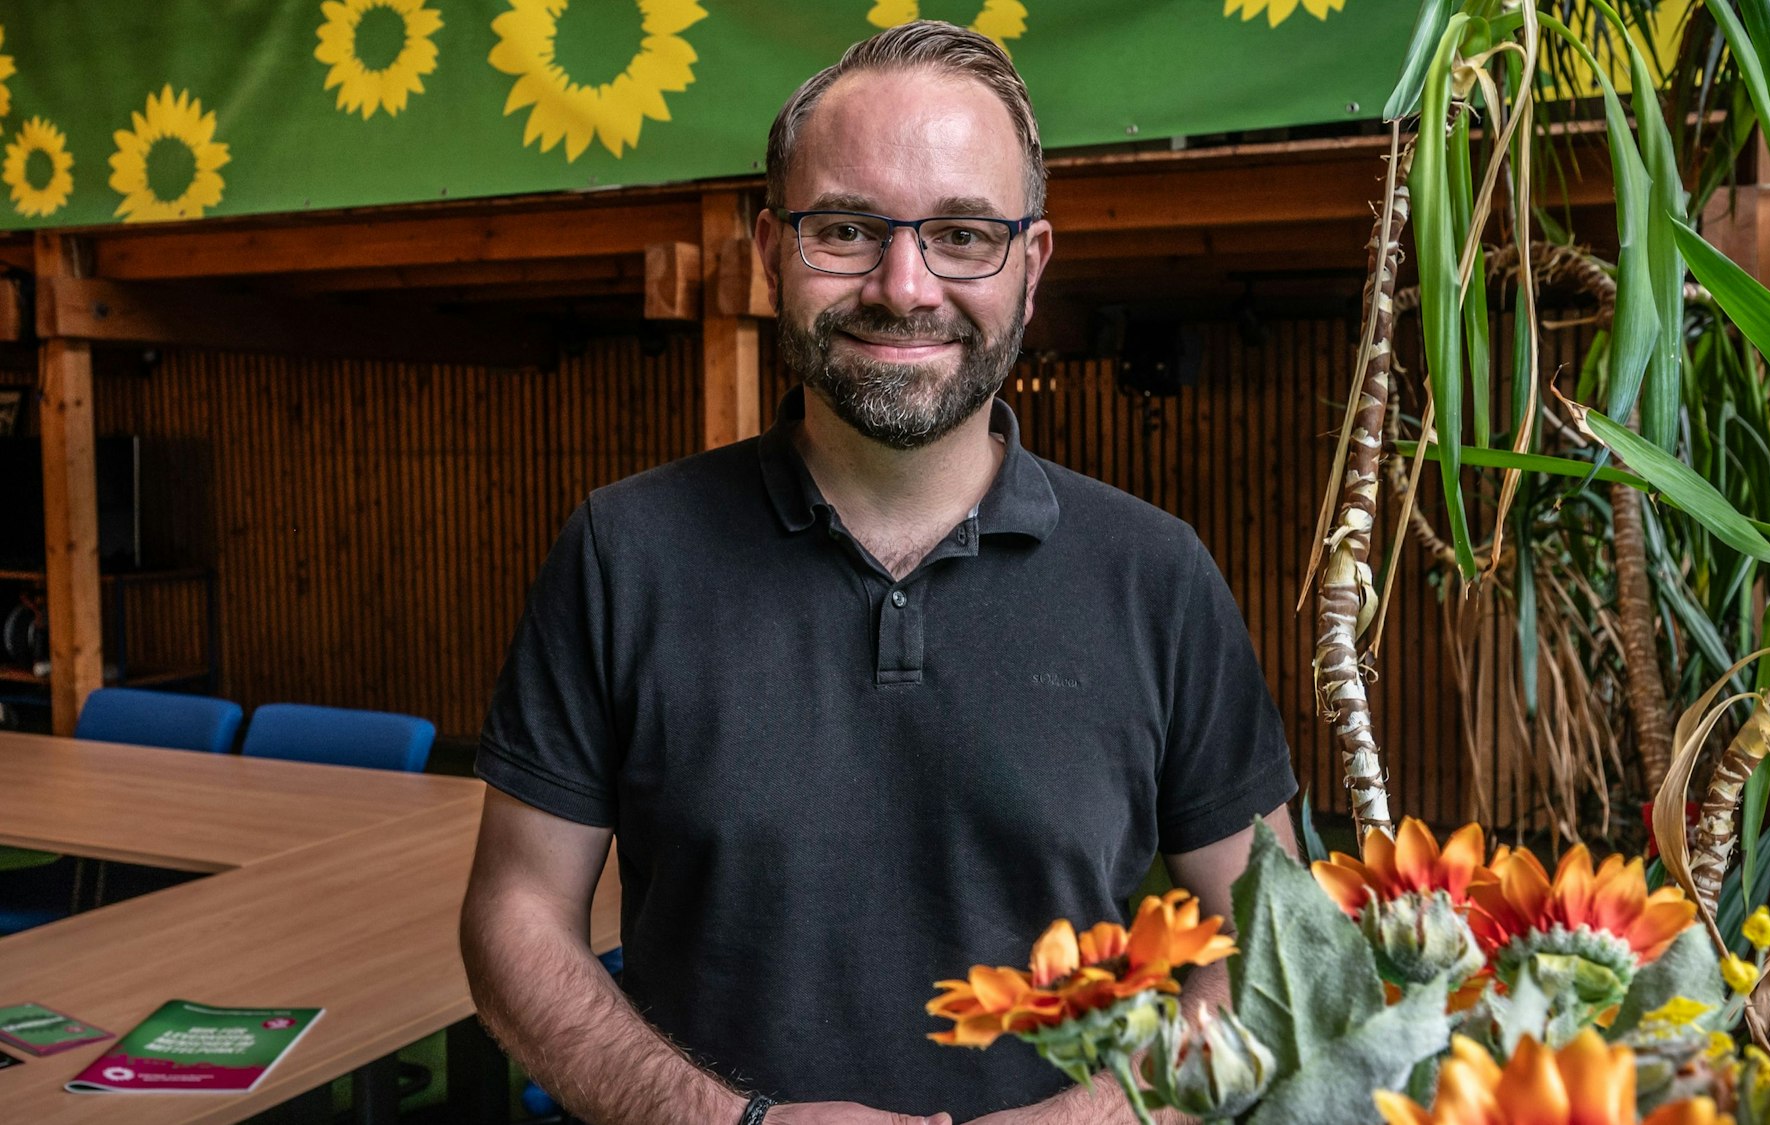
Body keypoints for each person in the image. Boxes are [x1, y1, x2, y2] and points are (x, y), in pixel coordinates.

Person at [460, 20, 1298, 1125]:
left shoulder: (1156, 575)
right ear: (770, 254)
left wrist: (1097, 1118)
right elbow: (515, 914)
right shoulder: (625, 552)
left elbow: (1281, 945)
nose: (903, 286)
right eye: (847, 229)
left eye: (961, 234)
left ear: (1030, 265)